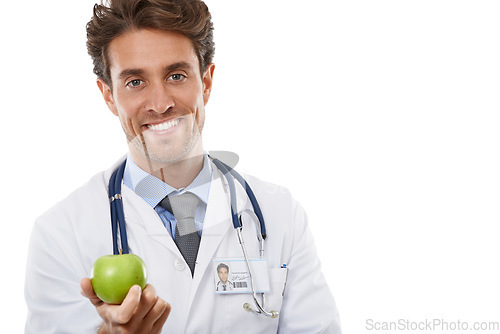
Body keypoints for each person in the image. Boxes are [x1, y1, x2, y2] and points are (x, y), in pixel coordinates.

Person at [24, 0, 342, 332]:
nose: (160, 104)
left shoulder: (279, 214)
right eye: (135, 82)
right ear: (108, 95)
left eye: (176, 75)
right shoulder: (60, 233)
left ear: (205, 82)